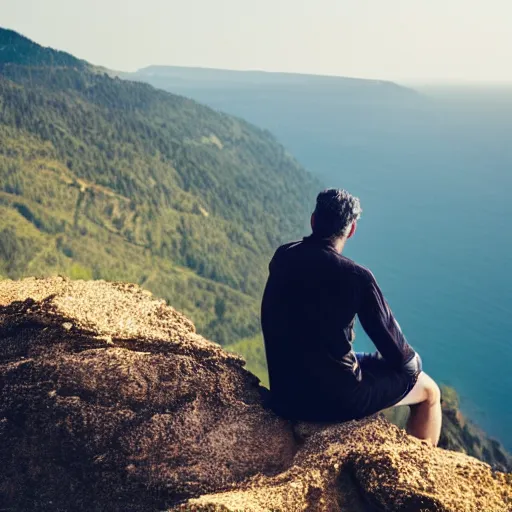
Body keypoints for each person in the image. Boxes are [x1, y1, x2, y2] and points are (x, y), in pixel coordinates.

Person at [261, 188, 442, 446]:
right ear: (352, 229)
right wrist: (413, 365)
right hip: (333, 402)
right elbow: (397, 352)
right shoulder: (357, 278)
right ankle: (423, 467)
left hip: (285, 394)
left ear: (313, 220)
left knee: (356, 362)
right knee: (429, 390)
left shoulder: (283, 255)